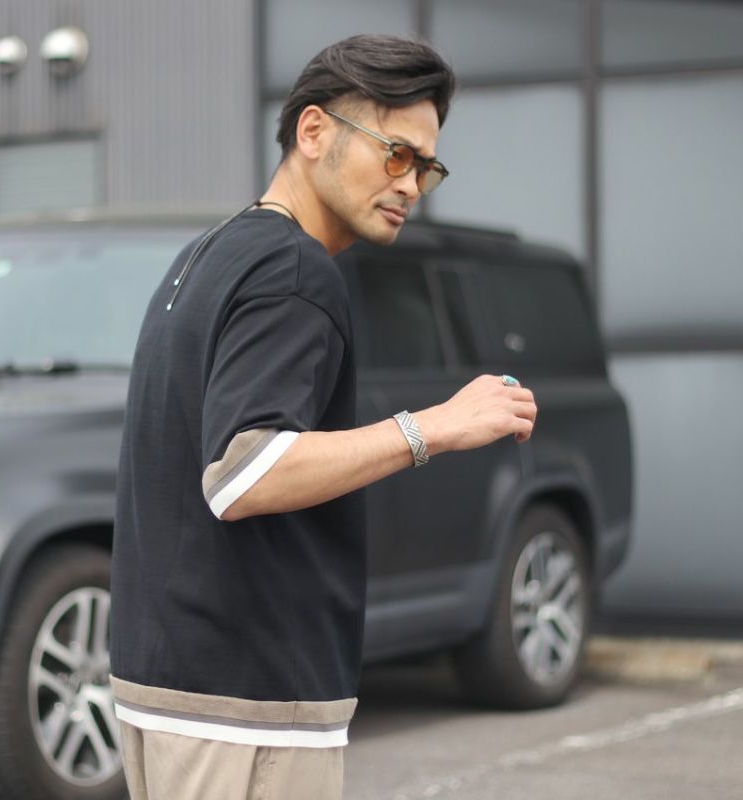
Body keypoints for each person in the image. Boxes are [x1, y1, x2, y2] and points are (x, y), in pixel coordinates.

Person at [109, 33, 537, 800]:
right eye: (396, 154)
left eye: (426, 167)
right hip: (247, 707)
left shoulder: (213, 253)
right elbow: (242, 474)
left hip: (168, 688)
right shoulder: (295, 270)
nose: (411, 184)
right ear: (313, 132)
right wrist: (432, 427)